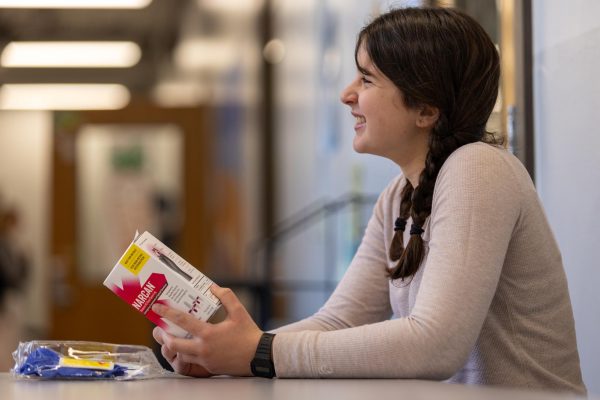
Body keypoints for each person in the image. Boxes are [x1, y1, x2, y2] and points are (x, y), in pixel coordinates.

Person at [150, 7, 586, 394]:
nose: (347, 94)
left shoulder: (479, 168)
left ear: (426, 109)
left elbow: (435, 345)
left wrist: (260, 353)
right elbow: (338, 321)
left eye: (367, 78)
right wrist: (228, 357)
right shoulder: (399, 196)